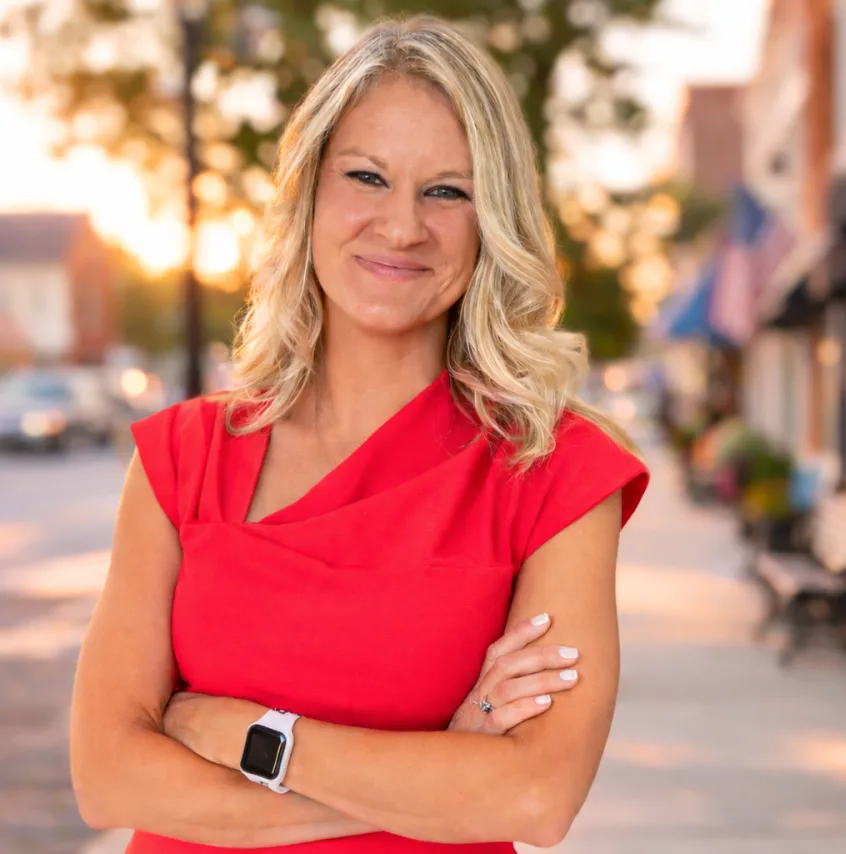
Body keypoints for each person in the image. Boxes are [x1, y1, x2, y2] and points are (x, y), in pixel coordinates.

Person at [69, 15, 649, 853]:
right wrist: (445, 774)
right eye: (367, 177)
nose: (403, 226)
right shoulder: (183, 458)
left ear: (494, 222)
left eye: (447, 191)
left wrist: (247, 737)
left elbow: (534, 797)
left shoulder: (555, 474)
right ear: (307, 195)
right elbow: (108, 777)